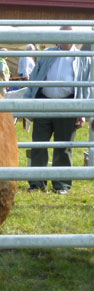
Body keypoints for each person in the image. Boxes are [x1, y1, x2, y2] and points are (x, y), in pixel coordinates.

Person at [25, 26, 92, 194]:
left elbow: (87, 88)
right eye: (61, 35)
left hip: (68, 106)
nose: (64, 38)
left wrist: (83, 112)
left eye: (68, 35)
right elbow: (34, 79)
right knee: (38, 144)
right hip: (43, 104)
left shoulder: (84, 59)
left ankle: (61, 185)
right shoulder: (47, 54)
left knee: (64, 146)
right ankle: (37, 183)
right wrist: (29, 106)